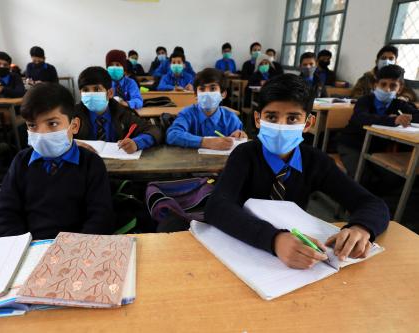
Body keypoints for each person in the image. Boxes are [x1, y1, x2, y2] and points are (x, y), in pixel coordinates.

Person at [205, 74, 390, 269]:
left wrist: (361, 227)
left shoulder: (315, 161)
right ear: (258, 119)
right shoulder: (244, 155)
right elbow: (217, 207)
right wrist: (274, 239)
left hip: (295, 253)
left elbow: (373, 204)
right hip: (243, 244)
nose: (280, 126)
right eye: (271, 117)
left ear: (308, 123)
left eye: (292, 118)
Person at [0, 83, 115, 239]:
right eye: (32, 125)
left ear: (74, 125)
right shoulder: (20, 162)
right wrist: (21, 247)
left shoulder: (91, 163)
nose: (42, 133)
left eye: (52, 124)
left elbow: (101, 217)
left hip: (78, 249)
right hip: (31, 249)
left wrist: (75, 249)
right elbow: (6, 215)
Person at [338, 65, 419, 177]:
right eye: (383, 84)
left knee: (391, 177)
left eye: (393, 86)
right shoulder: (364, 101)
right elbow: (361, 117)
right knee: (362, 176)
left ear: (400, 89)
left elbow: (416, 115)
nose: (387, 89)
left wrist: (409, 117)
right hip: (352, 145)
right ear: (376, 85)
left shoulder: (400, 104)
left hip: (376, 149)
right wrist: (393, 120)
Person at [74, 66, 161, 153]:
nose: (91, 94)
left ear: (110, 93)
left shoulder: (123, 113)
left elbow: (154, 131)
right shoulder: (73, 114)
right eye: (85, 90)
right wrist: (72, 143)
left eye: (97, 89)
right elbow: (61, 137)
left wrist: (136, 143)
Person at [166, 68, 246, 149]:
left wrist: (240, 137)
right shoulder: (188, 113)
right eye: (202, 89)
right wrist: (204, 142)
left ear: (223, 94)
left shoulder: (231, 119)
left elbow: (240, 144)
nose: (207, 93)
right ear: (195, 95)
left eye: (212, 89)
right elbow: (172, 135)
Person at [352, 45, 417, 102]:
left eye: (391, 58)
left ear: (396, 62)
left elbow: (410, 94)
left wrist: (404, 97)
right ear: (377, 61)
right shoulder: (367, 78)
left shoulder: (398, 78)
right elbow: (356, 93)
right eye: (383, 58)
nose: (387, 61)